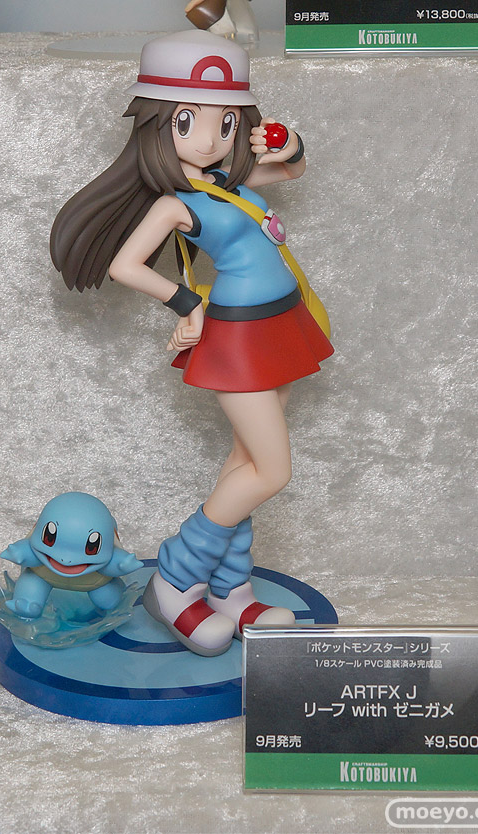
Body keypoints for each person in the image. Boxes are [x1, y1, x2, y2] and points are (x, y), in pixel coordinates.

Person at [50, 29, 333, 656]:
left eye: (224, 123)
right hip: (240, 337)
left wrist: (290, 144)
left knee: (245, 463)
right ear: (157, 125)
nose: (208, 139)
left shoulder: (227, 181)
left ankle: (231, 588)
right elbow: (126, 265)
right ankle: (177, 579)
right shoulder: (177, 204)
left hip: (280, 323)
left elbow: (291, 168)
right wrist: (186, 302)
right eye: (187, 121)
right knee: (272, 471)